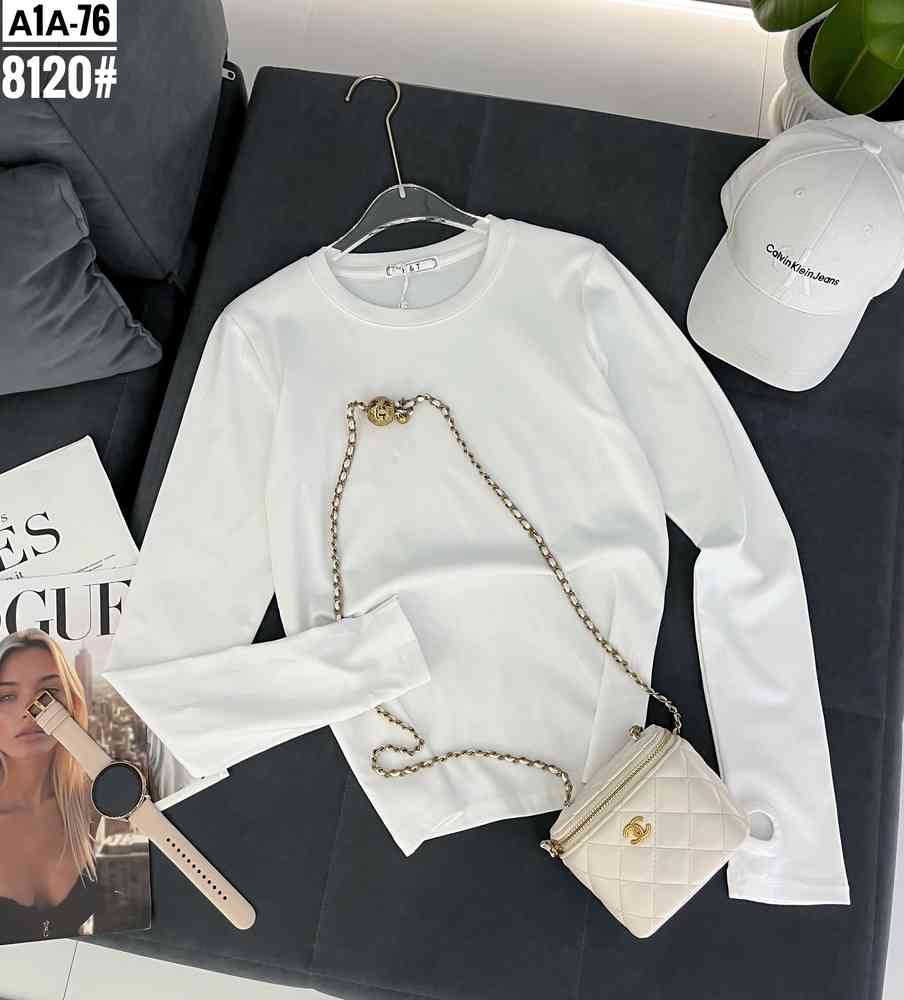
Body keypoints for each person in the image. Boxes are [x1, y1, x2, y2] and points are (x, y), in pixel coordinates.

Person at [0, 629, 97, 943]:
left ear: (72, 703)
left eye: (49, 692)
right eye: (6, 696)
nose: (30, 711)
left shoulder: (94, 808)